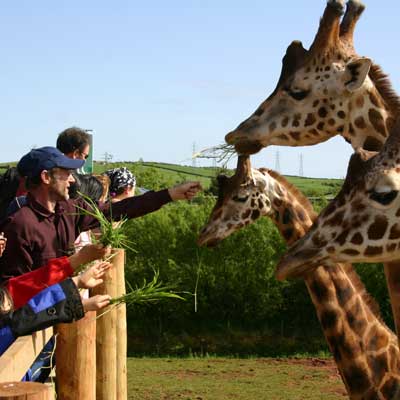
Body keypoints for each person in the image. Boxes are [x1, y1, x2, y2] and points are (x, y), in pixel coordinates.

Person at [0, 146, 201, 282]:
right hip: (31, 339)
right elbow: (15, 289)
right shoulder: (21, 225)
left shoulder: (71, 210)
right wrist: (76, 263)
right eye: (66, 173)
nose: (71, 180)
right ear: (45, 177)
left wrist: (171, 194)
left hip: (57, 327)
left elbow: (119, 210)